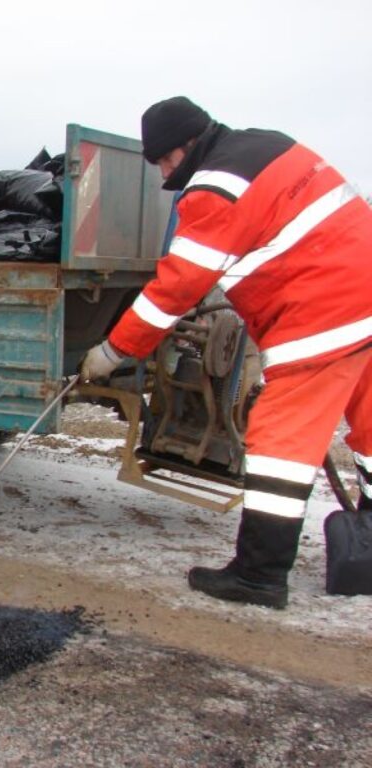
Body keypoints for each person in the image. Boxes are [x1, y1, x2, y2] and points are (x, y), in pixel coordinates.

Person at [80, 96, 372, 608]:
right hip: (362, 293)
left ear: (185, 145)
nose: (166, 172)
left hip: (321, 313)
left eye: (165, 160)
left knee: (280, 443)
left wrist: (114, 348)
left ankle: (258, 575)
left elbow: (177, 288)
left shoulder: (213, 189)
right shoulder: (268, 144)